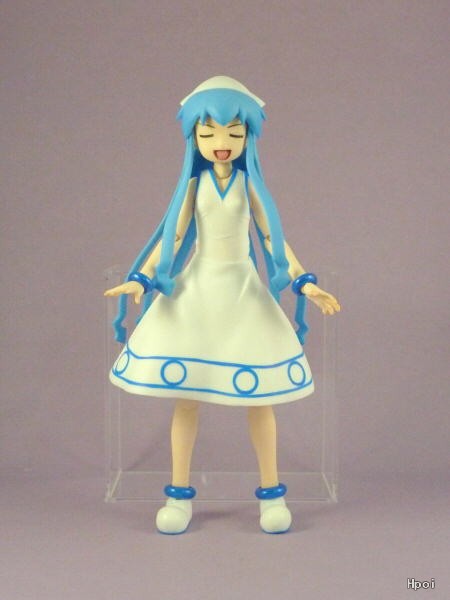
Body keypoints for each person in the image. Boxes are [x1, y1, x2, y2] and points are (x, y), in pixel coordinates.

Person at [104, 76, 340, 534]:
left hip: (242, 291)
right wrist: (142, 278)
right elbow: (173, 237)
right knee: (186, 399)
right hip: (197, 291)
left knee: (261, 402)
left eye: (234, 132)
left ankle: (272, 494)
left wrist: (303, 282)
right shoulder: (195, 188)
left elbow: (272, 238)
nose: (221, 142)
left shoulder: (249, 187)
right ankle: (178, 495)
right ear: (193, 136)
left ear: (248, 135)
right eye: (208, 132)